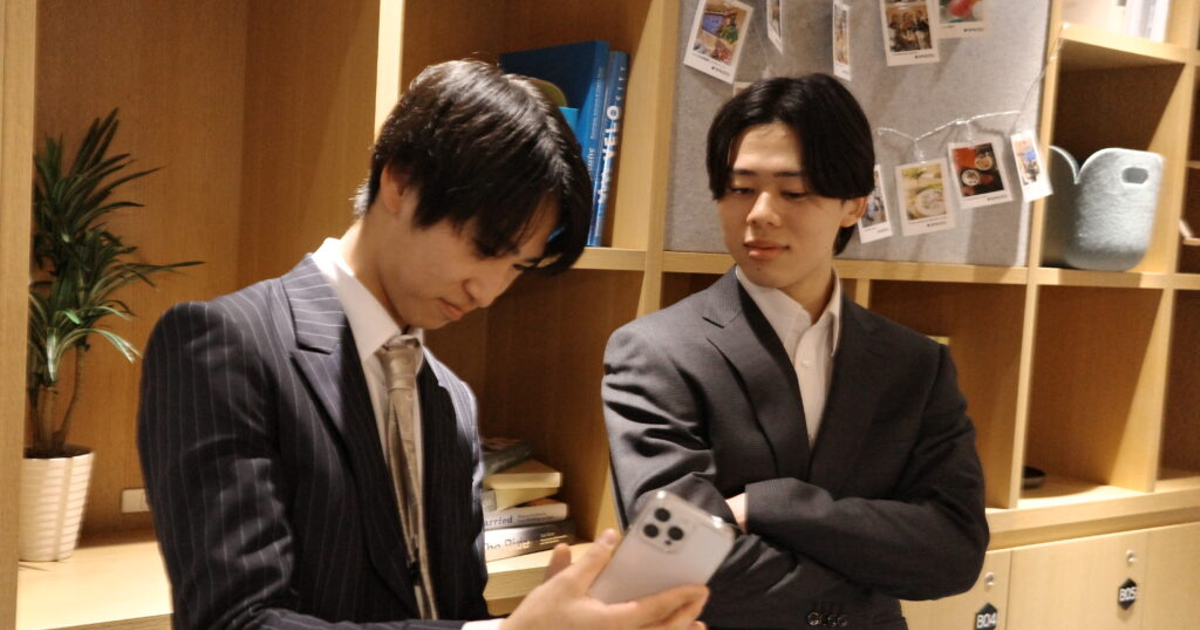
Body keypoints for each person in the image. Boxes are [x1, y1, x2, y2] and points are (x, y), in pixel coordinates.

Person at [138, 59, 709, 630]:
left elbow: (450, 615)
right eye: (485, 248)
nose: (488, 292)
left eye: (518, 267)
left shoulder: (449, 398)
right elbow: (235, 621)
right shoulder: (224, 345)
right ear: (400, 182)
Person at [602, 74, 989, 629]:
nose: (760, 213)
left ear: (855, 204)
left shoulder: (915, 365)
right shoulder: (657, 353)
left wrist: (769, 505)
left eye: (794, 191)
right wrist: (863, 587)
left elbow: (954, 552)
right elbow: (670, 561)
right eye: (740, 189)